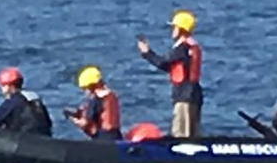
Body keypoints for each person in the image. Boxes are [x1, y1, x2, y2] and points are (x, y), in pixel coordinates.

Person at [136, 10, 203, 138]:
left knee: (181, 134)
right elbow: (172, 67)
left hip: (184, 95)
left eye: (174, 27)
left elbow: (162, 62)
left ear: (181, 29)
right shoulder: (192, 46)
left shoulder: (182, 48)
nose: (172, 30)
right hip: (193, 94)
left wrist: (147, 53)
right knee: (192, 134)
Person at [0, 67, 53, 135]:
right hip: (45, 137)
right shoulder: (34, 97)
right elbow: (49, 123)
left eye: (3, 85)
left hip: (25, 139)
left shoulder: (12, 101)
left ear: (10, 86)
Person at [64, 65, 121, 140]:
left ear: (91, 86)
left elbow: (85, 123)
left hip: (102, 138)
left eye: (85, 88)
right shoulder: (112, 95)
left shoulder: (95, 99)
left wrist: (73, 119)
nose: (85, 91)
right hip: (116, 135)